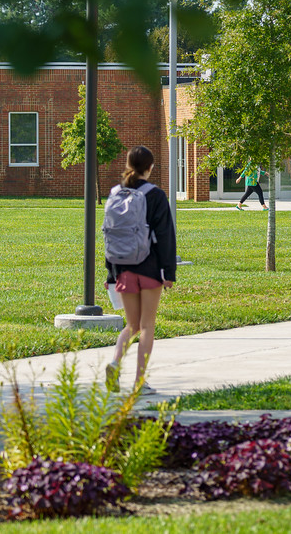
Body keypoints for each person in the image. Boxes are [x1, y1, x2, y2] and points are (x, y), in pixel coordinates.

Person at [104, 146, 176, 395]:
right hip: (150, 267)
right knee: (147, 326)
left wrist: (110, 274)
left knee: (131, 325)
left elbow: (109, 235)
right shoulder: (155, 195)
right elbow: (165, 236)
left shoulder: (115, 193)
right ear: (150, 167)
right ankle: (139, 383)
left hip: (122, 267)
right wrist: (169, 273)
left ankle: (115, 362)